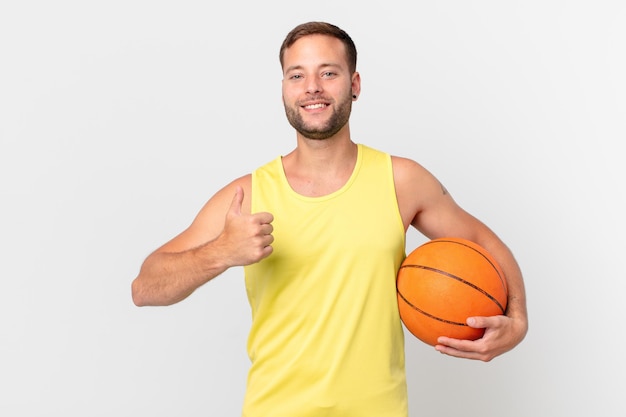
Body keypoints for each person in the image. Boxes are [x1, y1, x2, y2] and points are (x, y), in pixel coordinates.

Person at [131, 21, 528, 417]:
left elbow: (484, 242)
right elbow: (145, 286)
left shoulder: (402, 180)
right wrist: (220, 252)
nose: (312, 87)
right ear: (284, 89)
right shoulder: (247, 195)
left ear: (354, 84)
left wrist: (517, 320)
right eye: (297, 75)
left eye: (328, 73)